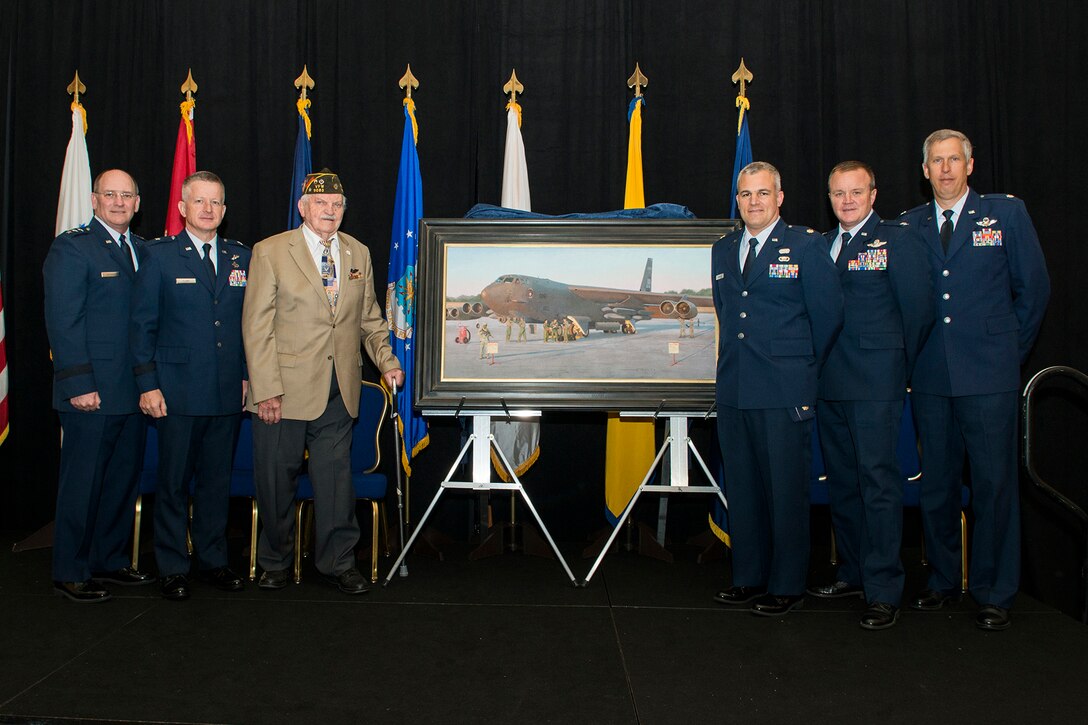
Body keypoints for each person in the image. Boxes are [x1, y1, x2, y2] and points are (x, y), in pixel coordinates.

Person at [900, 129, 1050, 631]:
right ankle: (943, 581)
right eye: (936, 162)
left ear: (970, 165)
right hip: (931, 375)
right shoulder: (910, 225)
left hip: (989, 375)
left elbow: (1033, 290)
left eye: (953, 160)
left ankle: (993, 590)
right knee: (937, 486)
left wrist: (1008, 353)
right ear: (925, 171)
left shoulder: (1005, 214)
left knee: (993, 485)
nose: (945, 169)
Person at [242, 170, 404, 595]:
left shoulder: (358, 253)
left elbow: (370, 318)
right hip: (283, 390)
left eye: (336, 205)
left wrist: (387, 362)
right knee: (278, 480)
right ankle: (275, 562)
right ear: (303, 207)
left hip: (339, 388)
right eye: (320, 204)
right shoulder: (271, 251)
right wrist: (265, 389)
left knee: (337, 482)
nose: (329, 212)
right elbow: (256, 327)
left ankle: (338, 563)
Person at [711, 161, 843, 616]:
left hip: (785, 390)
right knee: (743, 489)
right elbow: (730, 317)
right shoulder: (723, 249)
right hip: (735, 388)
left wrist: (799, 370)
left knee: (786, 491)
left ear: (780, 197)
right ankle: (748, 577)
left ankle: (787, 584)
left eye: (763, 194)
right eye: (746, 195)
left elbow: (827, 319)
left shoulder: (805, 246)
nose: (754, 202)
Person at [808, 161, 935, 629]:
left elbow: (918, 312)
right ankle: (854, 571)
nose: (847, 201)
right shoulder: (821, 246)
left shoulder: (898, 240)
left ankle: (884, 588)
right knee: (842, 482)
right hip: (830, 383)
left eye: (855, 192)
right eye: (838, 193)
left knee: (878, 483)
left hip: (876, 382)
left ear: (873, 194)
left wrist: (894, 365)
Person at [130, 171, 250, 601]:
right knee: (174, 482)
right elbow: (142, 325)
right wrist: (147, 383)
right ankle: (172, 565)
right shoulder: (159, 257)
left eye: (215, 202)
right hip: (175, 389)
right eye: (199, 202)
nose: (207, 210)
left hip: (224, 391)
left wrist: (247, 377)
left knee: (216, 482)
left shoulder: (242, 258)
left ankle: (214, 560)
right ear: (182, 208)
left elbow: (248, 327)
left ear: (224, 210)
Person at [43, 168, 154, 602]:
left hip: (134, 391)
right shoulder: (73, 248)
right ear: (94, 200)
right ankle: (69, 569)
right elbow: (63, 322)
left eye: (127, 195)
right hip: (90, 391)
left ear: (138, 203)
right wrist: (78, 384)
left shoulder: (144, 250)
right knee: (83, 483)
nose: (119, 202)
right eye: (110, 194)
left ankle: (109, 560)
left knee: (121, 482)